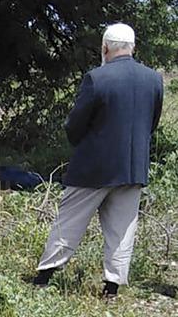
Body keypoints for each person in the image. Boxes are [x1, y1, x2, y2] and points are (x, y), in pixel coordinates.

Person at [32, 23, 163, 298]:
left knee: (69, 221)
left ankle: (44, 278)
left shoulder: (97, 78)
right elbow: (152, 123)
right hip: (133, 167)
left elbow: (74, 125)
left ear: (105, 47)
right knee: (122, 229)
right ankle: (111, 289)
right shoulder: (153, 79)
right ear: (133, 47)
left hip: (93, 167)